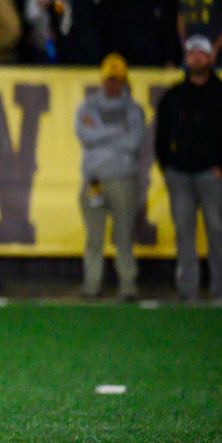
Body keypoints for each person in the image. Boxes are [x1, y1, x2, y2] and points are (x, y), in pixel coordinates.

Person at [154, 36, 222, 301]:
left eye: (201, 53)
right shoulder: (173, 96)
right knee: (184, 233)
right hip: (179, 175)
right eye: (192, 53)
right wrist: (167, 166)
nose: (196, 58)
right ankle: (187, 293)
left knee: (216, 230)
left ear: (211, 58)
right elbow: (161, 135)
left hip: (210, 174)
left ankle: (221, 293)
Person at [74, 54, 144, 299]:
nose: (112, 84)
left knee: (124, 236)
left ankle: (127, 285)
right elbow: (85, 136)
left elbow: (133, 142)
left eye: (117, 80)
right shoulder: (87, 106)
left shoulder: (134, 110)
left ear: (124, 81)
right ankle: (91, 285)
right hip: (94, 179)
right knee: (94, 236)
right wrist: (116, 132)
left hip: (122, 178)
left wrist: (100, 134)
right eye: (109, 79)